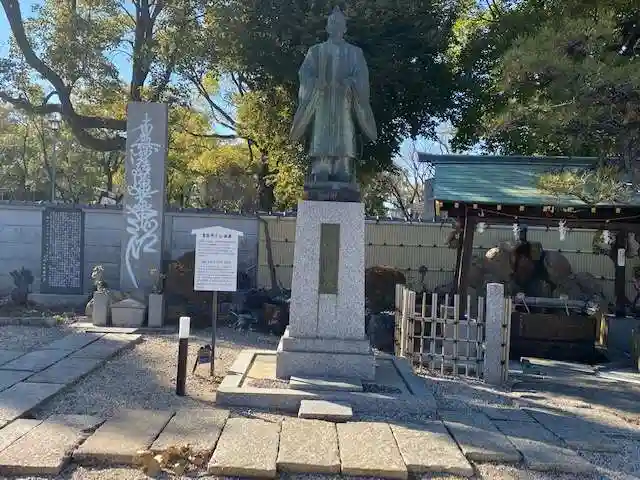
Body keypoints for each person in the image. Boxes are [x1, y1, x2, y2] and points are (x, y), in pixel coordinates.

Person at [290, 6, 377, 189]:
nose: (336, 26)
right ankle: (320, 166)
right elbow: (305, 74)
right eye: (332, 23)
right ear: (327, 27)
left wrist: (351, 82)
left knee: (344, 129)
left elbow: (362, 77)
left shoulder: (355, 53)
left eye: (339, 24)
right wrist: (315, 83)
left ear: (345, 28)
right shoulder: (316, 51)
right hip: (322, 100)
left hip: (344, 100)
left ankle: (342, 166)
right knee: (321, 129)